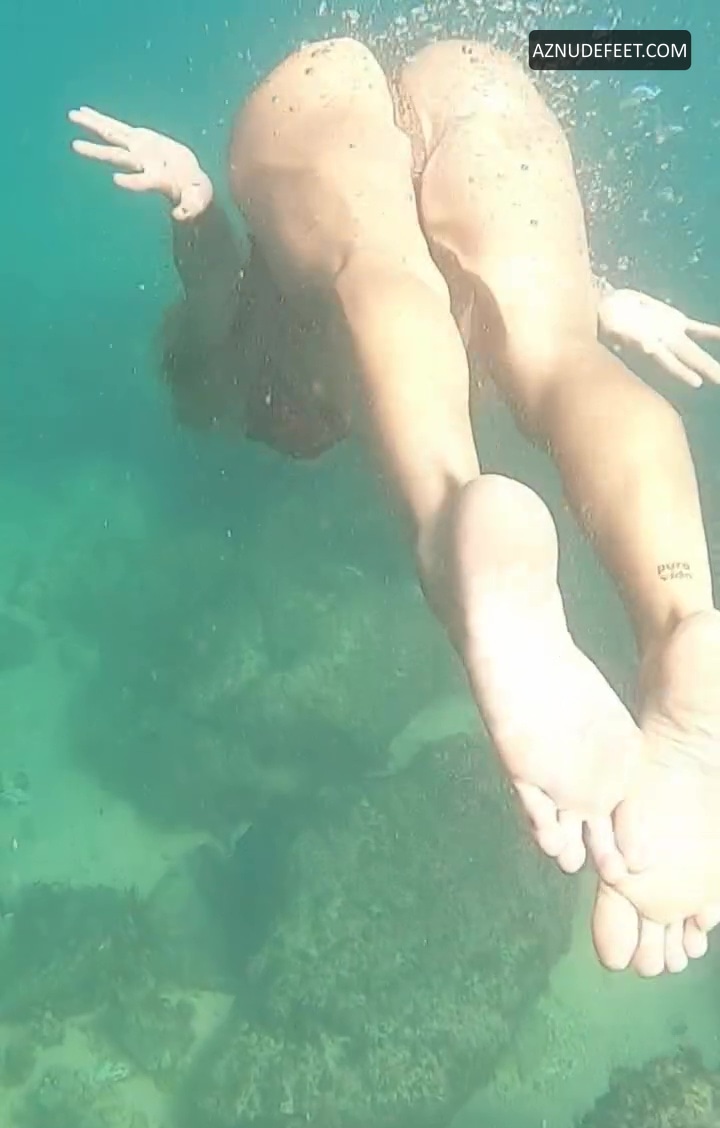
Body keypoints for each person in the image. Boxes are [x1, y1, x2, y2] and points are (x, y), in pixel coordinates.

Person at [68, 36, 720, 979]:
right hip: (471, 72)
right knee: (558, 349)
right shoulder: (267, 357)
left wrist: (195, 205)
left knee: (372, 276)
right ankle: (682, 617)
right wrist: (601, 295)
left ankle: (450, 523)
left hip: (319, 109)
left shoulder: (237, 381)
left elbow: (211, 306)